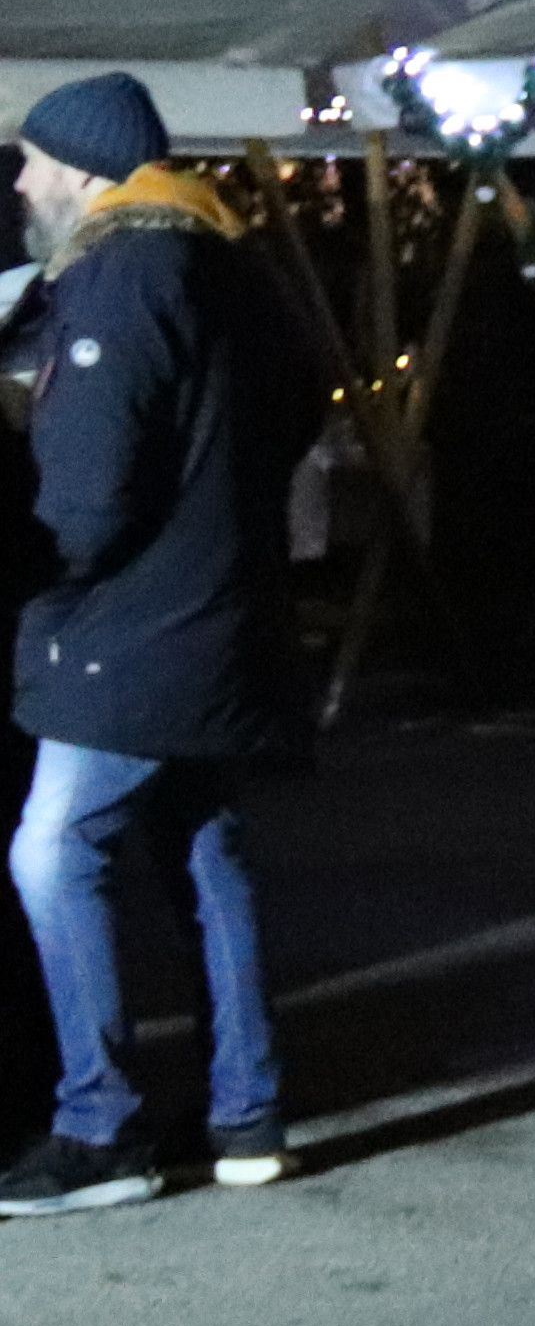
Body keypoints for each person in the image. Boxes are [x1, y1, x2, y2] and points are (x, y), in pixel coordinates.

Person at [5, 73, 329, 1215]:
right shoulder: (228, 260)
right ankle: (247, 1117)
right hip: (221, 613)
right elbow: (309, 401)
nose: (25, 182)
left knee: (50, 853)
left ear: (88, 169)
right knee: (203, 851)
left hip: (129, 631)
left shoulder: (118, 274)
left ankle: (102, 1127)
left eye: (37, 162)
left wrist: (37, 567)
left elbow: (86, 500)